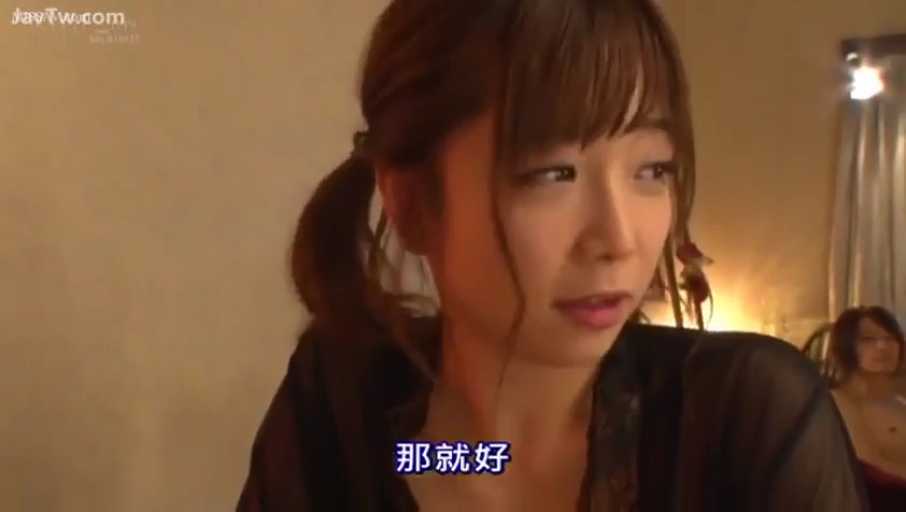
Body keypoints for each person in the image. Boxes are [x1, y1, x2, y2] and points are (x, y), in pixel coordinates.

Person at [236, 0, 867, 510]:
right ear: (411, 205)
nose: (619, 239)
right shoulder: (347, 410)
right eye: (552, 173)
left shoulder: (742, 416)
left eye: (652, 169)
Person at [830, 307, 906, 486]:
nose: (883, 346)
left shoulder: (899, 400)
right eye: (869, 339)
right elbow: (870, 464)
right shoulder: (839, 402)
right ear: (847, 345)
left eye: (890, 338)